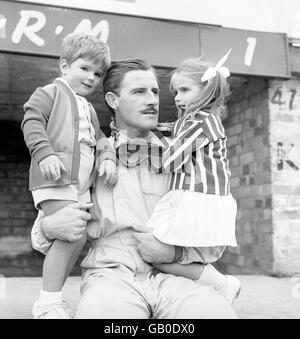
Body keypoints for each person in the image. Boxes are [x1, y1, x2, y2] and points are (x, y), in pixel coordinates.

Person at [33, 59, 238, 319]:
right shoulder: (88, 152)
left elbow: (214, 230)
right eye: (139, 92)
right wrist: (48, 227)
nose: (152, 100)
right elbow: (49, 225)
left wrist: (175, 253)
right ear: (113, 99)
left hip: (177, 279)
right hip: (111, 276)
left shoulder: (188, 152)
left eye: (154, 91)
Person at [21, 33, 117, 319]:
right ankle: (47, 302)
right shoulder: (50, 92)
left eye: (97, 73)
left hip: (79, 186)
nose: (91, 77)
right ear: (64, 66)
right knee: (69, 233)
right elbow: (32, 119)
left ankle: (52, 298)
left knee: (75, 238)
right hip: (54, 178)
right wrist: (45, 153)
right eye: (84, 68)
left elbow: (100, 139)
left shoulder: (88, 107)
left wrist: (109, 157)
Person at [143, 51, 241, 303]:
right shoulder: (199, 121)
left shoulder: (200, 122)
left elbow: (171, 160)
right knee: (166, 253)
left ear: (206, 91)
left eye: (184, 90)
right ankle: (209, 288)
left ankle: (222, 285)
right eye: (176, 92)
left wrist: (143, 145)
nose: (177, 98)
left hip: (197, 198)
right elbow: (173, 131)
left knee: (157, 253)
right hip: (194, 196)